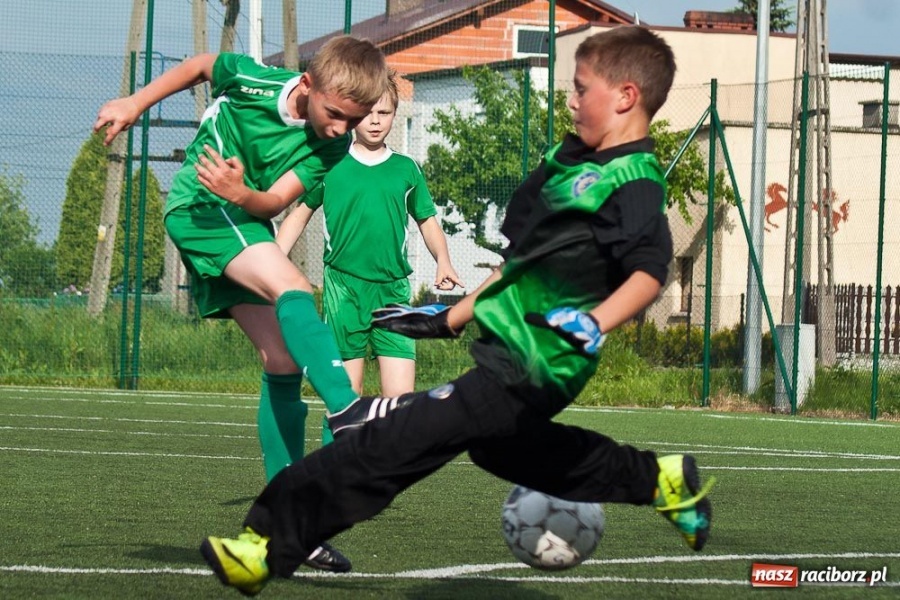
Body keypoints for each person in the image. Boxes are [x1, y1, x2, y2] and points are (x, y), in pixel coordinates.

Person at [199, 26, 715, 596]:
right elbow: (516, 264)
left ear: (624, 97)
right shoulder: (565, 161)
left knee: (386, 444)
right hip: (510, 354)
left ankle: (262, 547)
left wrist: (594, 322)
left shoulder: (633, 178)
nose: (569, 99)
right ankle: (662, 480)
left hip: (541, 360)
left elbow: (648, 270)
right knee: (504, 449)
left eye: (581, 87)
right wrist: (450, 317)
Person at [94, 35, 392, 573]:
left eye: (355, 120)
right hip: (200, 209)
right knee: (296, 290)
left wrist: (243, 195)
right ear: (307, 85)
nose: (341, 129)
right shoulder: (255, 80)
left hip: (239, 216)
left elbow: (275, 201)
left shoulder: (330, 145)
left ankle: (284, 527)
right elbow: (202, 65)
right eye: (335, 114)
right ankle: (349, 411)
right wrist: (134, 104)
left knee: (280, 360)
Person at [276, 73, 464, 405]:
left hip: (393, 292)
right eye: (368, 113)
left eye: (385, 113)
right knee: (346, 397)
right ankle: (342, 456)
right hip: (344, 291)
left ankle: (392, 458)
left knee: (400, 401)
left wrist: (443, 261)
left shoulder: (406, 169)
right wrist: (272, 262)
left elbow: (428, 222)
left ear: (395, 114)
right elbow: (299, 215)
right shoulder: (330, 164)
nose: (376, 122)